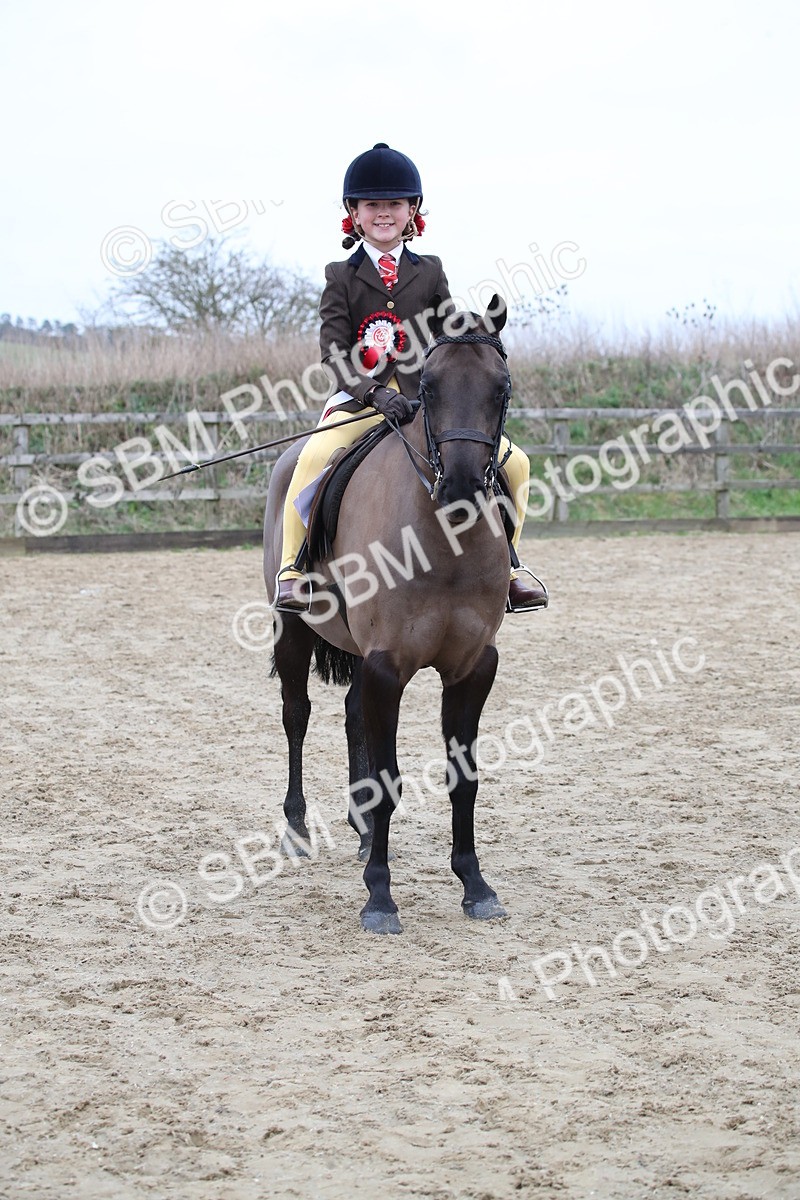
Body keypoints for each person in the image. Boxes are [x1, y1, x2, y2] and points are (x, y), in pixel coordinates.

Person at [274, 142, 547, 613]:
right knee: (313, 457)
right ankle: (293, 570)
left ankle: (511, 568)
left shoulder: (431, 270)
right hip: (361, 402)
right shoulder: (340, 275)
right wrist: (375, 393)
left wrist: (477, 331)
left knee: (515, 462)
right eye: (372, 205)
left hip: (425, 401)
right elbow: (334, 354)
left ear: (412, 212)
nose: (384, 213)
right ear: (354, 215)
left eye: (393, 204)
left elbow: (446, 332)